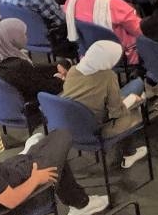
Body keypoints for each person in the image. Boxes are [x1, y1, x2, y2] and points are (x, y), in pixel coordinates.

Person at [61, 41, 148, 169]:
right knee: (137, 90)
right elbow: (116, 111)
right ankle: (129, 153)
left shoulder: (73, 70)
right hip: (98, 128)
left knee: (132, 90)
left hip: (73, 126)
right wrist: (131, 100)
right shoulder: (108, 76)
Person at [64, 0, 142, 65]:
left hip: (86, 54)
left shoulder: (72, 0)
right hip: (121, 57)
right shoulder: (112, 3)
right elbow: (139, 30)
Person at [0, 18, 65, 104]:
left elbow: (31, 73)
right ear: (12, 38)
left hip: (9, 104)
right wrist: (62, 79)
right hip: (33, 104)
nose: (26, 37)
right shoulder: (19, 66)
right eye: (23, 34)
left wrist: (55, 67)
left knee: (62, 64)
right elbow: (44, 88)